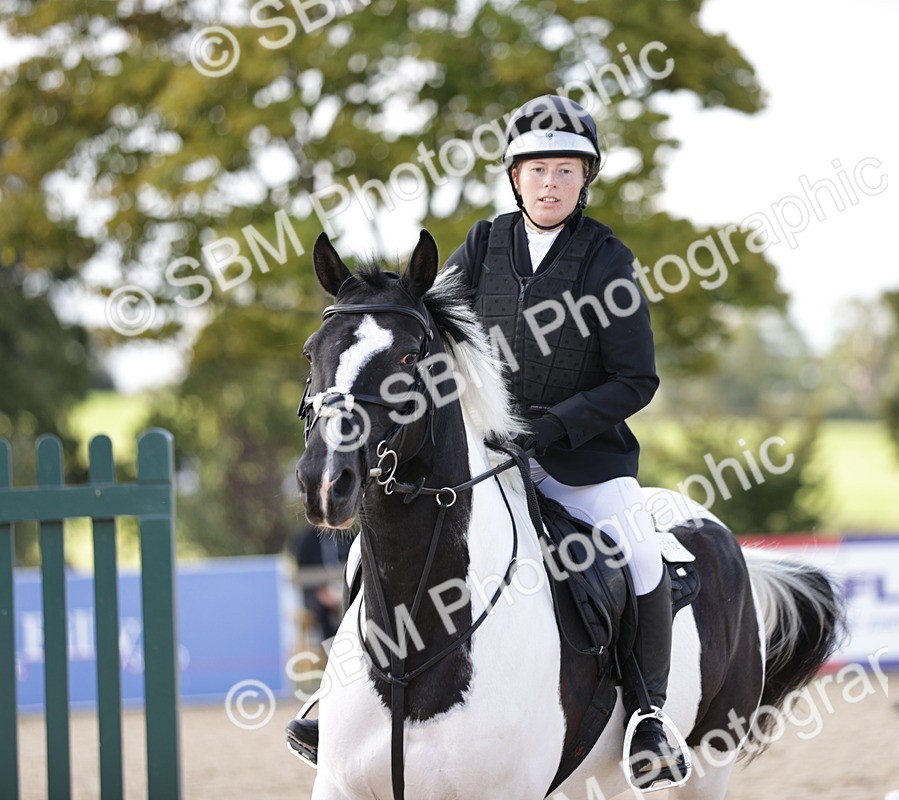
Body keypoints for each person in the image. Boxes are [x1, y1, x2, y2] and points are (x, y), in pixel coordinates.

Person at [289, 95, 686, 788]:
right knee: (366, 556)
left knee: (638, 549)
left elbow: (636, 380)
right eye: (538, 170)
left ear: (584, 179)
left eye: (567, 170)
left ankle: (649, 714)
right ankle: (339, 697)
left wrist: (554, 425)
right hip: (487, 458)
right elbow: (428, 325)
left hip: (582, 460)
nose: (552, 183)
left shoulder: (608, 259)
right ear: (516, 178)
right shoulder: (482, 245)